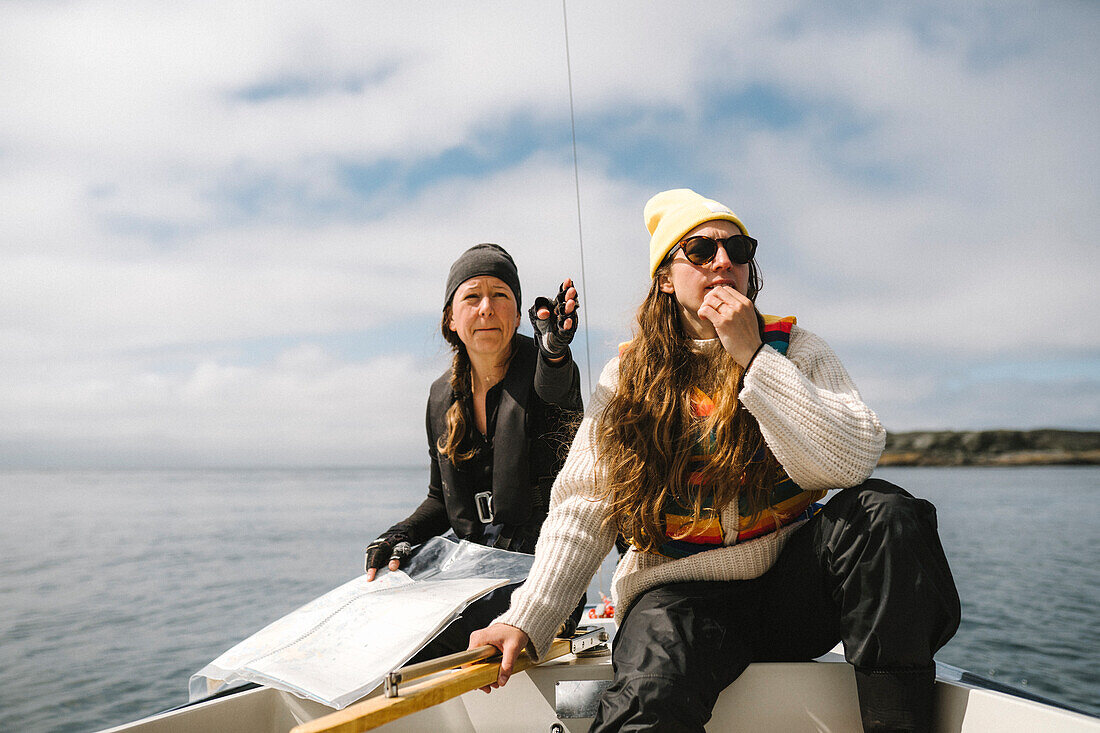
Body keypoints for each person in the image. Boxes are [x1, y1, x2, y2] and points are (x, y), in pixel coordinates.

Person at [469, 190, 960, 732]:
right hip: (677, 595)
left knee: (885, 513)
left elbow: (849, 461)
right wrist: (527, 618)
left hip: (790, 589)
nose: (723, 262)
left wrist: (753, 356)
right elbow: (584, 507)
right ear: (664, 277)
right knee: (647, 702)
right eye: (700, 250)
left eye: (738, 249)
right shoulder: (628, 379)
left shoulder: (796, 350)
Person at [364, 242, 587, 661]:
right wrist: (401, 534)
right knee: (374, 620)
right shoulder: (440, 396)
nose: (486, 308)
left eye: (500, 296)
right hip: (472, 569)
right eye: (472, 296)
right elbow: (440, 501)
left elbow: (556, 391)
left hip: (543, 580)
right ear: (451, 317)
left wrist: (554, 351)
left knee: (416, 646)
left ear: (519, 315)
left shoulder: (545, 371)